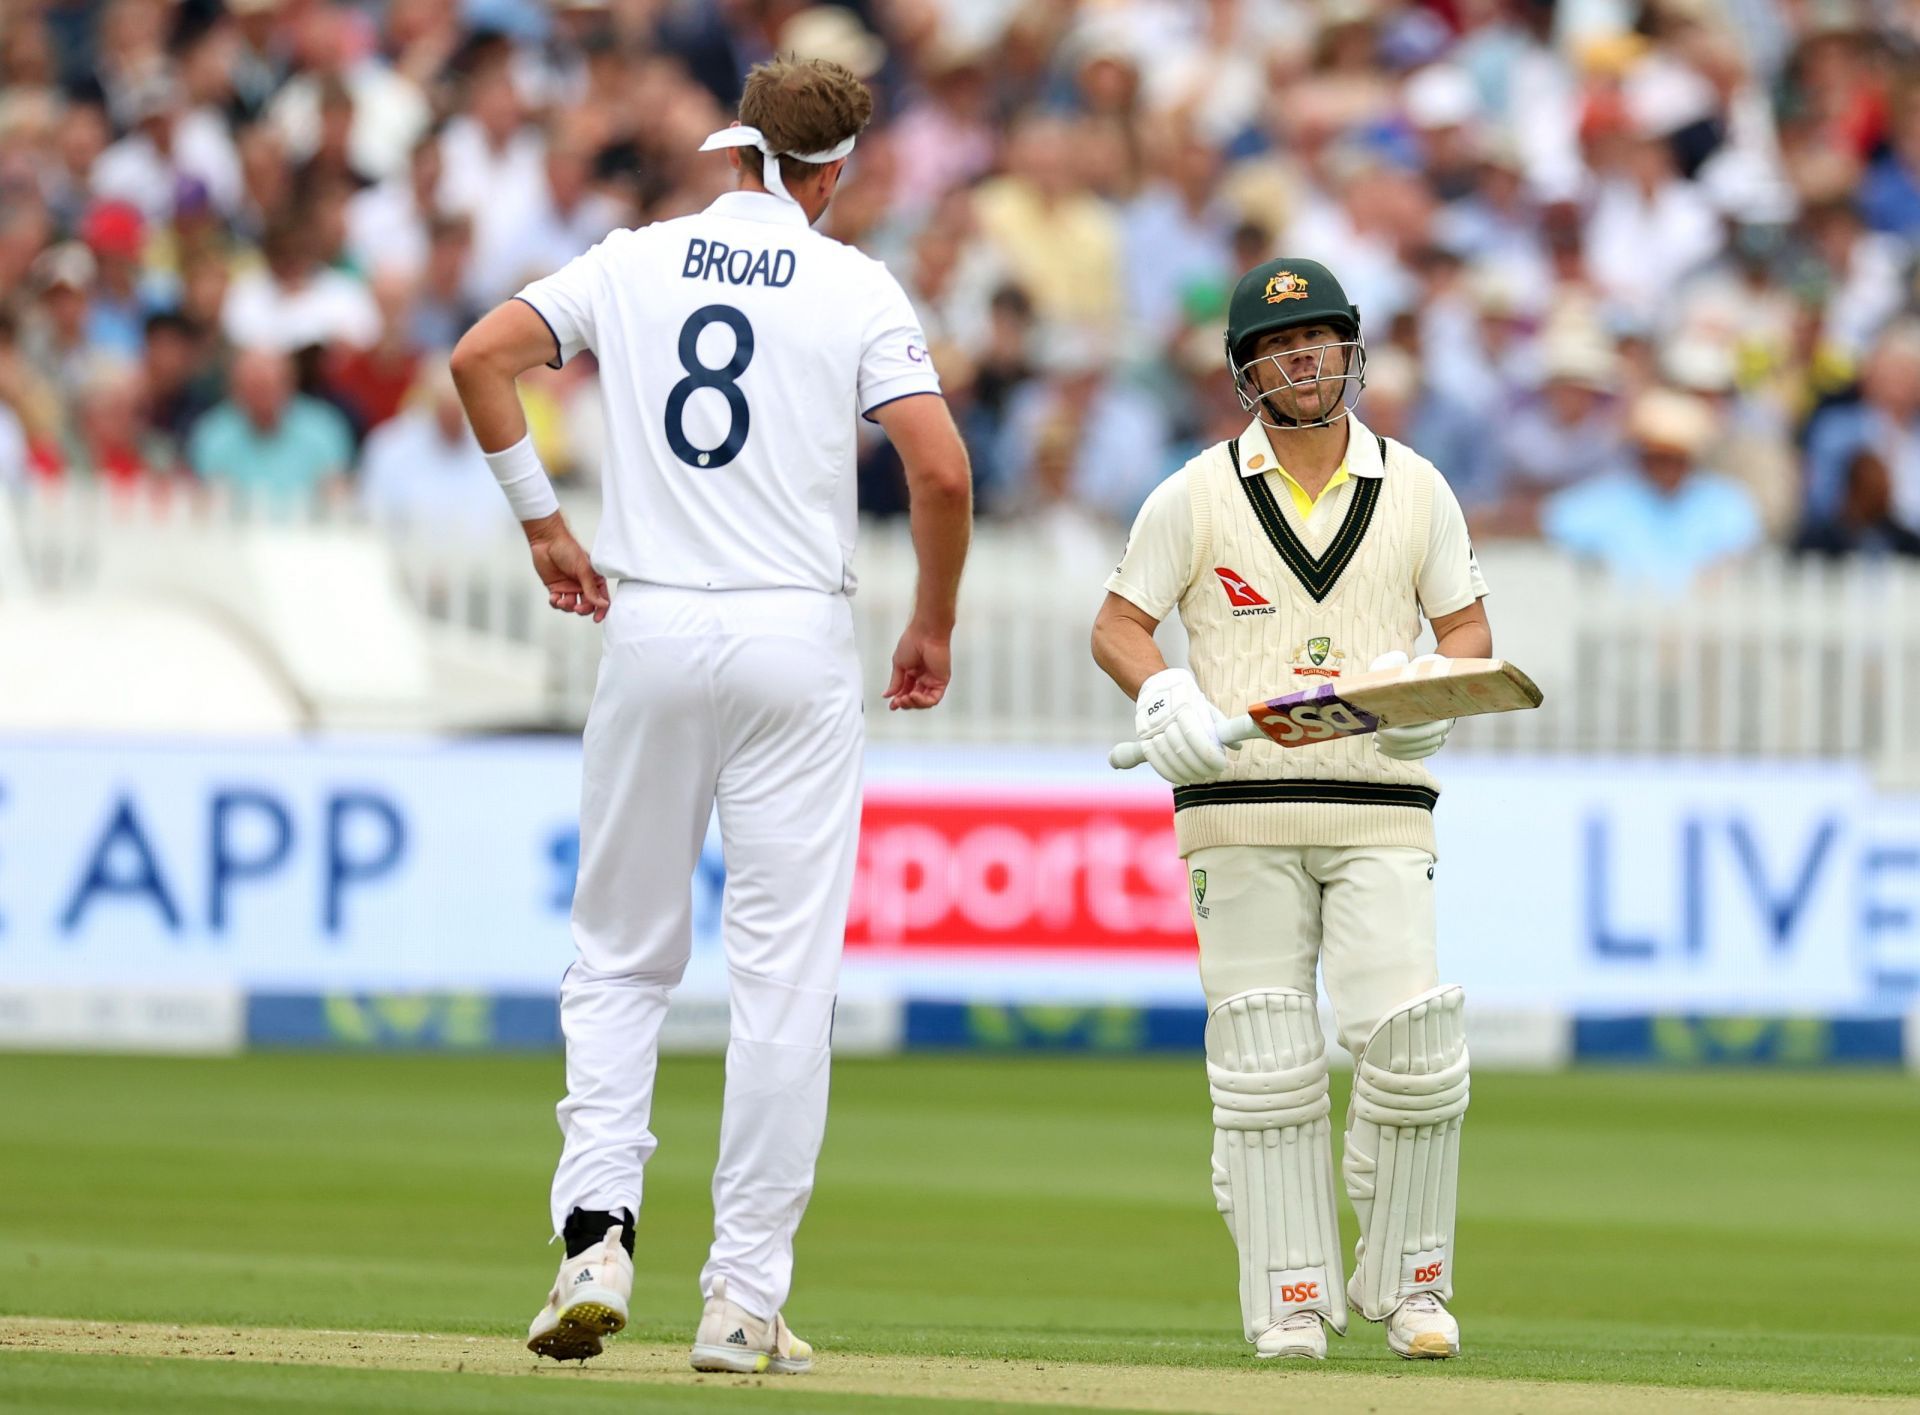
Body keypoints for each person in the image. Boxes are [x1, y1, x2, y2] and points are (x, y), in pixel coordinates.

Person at [449, 57, 972, 1375]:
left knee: (620, 952)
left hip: (655, 620)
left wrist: (543, 521)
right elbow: (942, 470)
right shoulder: (854, 285)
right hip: (795, 632)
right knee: (781, 978)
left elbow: (481, 359)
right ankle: (741, 1297)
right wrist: (935, 621)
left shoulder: (633, 258)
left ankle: (593, 1232)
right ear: (834, 169)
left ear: (739, 148)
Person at [1090, 258, 1490, 1362]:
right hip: (1237, 806)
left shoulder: (1415, 485)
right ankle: (1292, 1296)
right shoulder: (1195, 490)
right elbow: (1119, 622)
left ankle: (1411, 1279)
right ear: (1247, 369)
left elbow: (1468, 639)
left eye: (1319, 339)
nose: (1304, 359)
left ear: (1351, 350)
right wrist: (1161, 687)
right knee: (1266, 1065)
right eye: (1280, 346)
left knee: (1412, 1046)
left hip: (1380, 802)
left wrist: (1419, 700)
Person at [1541, 387, 1762, 591]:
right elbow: (1551, 520)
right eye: (1658, 455)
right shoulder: (1611, 498)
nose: (1667, 466)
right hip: (1619, 623)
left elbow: (1738, 551)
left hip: (1706, 626)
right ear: (1643, 455)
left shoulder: (1725, 501)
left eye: (1676, 457)